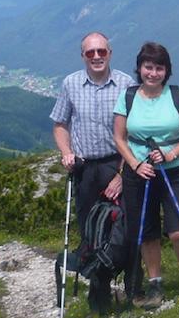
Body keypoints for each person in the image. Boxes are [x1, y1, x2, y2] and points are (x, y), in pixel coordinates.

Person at [115, 42, 179, 308]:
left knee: (177, 230)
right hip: (140, 173)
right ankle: (155, 283)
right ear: (139, 68)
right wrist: (135, 164)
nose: (153, 73)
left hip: (176, 171)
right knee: (148, 232)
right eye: (149, 67)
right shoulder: (127, 97)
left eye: (159, 68)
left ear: (166, 71)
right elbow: (119, 137)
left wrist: (170, 153)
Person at [50, 32, 132, 250]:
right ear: (83, 56)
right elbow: (60, 124)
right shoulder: (70, 84)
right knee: (89, 228)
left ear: (110, 54)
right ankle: (98, 282)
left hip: (117, 164)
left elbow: (134, 133)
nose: (97, 56)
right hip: (84, 169)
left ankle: (131, 281)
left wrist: (122, 175)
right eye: (90, 52)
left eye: (101, 51)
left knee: (122, 228)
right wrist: (66, 152)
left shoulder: (126, 84)